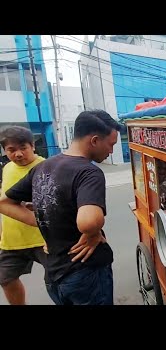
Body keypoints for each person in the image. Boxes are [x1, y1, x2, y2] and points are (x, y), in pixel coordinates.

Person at [0, 110, 122, 305]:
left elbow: (4, 203)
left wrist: (44, 222)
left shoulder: (43, 167)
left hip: (55, 278)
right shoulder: (88, 173)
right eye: (111, 144)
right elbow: (88, 222)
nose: (111, 151)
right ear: (95, 140)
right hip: (85, 275)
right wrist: (92, 232)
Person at [0, 126, 45, 305]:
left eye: (23, 148)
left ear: (33, 146)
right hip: (12, 241)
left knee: (60, 279)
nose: (18, 154)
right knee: (6, 279)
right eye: (11, 149)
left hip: (43, 239)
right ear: (4, 150)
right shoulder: (7, 168)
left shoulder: (46, 166)